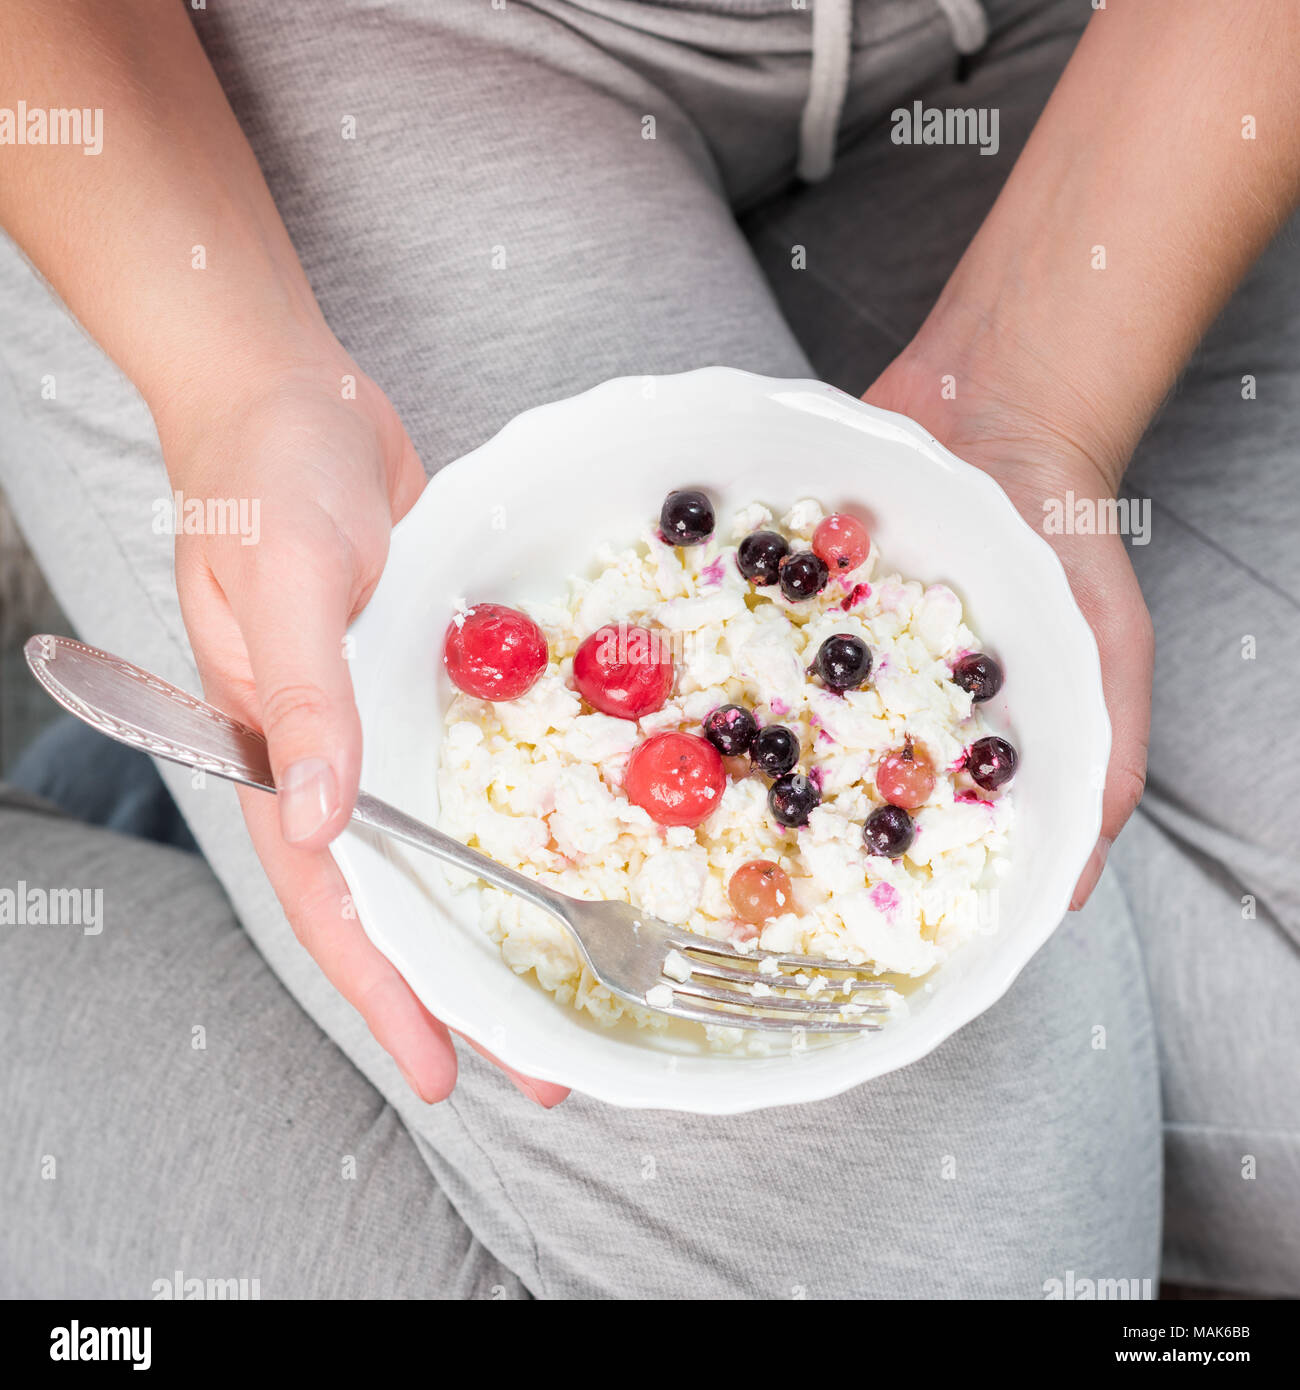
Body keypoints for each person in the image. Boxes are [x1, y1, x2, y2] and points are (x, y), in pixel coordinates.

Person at [0, 0, 1296, 1297]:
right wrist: (242, 379)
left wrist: (1036, 391)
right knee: (951, 1265)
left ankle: (155, 797)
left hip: (1055, 63)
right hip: (284, 88)